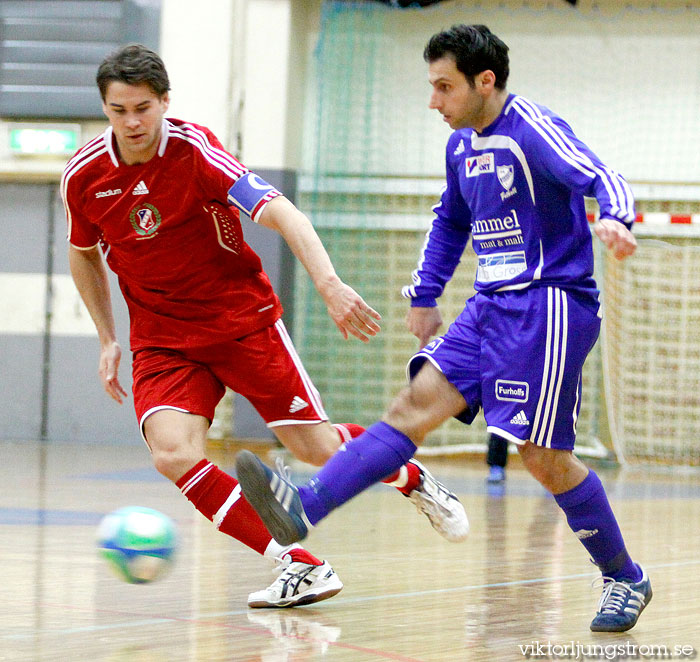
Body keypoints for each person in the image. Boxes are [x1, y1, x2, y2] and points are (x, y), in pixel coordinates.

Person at [234, 24, 652, 632]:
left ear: (485, 82)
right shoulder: (461, 146)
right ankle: (304, 507)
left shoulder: (530, 129)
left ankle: (624, 578)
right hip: (489, 307)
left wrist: (617, 218)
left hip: (549, 305)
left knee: (543, 457)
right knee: (410, 409)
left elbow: (601, 175)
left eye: (444, 87)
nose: (434, 102)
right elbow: (451, 221)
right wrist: (425, 294)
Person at [61, 44, 469, 609]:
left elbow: (281, 211)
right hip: (163, 338)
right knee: (173, 452)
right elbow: (83, 252)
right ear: (105, 108)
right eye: (118, 110)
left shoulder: (196, 151)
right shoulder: (84, 177)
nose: (132, 123)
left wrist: (329, 284)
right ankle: (299, 564)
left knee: (318, 448)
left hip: (240, 322)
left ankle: (409, 476)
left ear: (165, 102)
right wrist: (109, 336)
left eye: (144, 108)